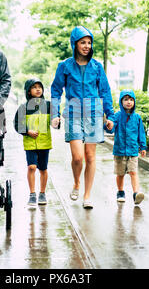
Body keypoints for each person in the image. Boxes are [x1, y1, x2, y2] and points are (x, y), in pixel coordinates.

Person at [51, 26, 114, 209]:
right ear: (75, 44)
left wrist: (109, 115)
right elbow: (55, 90)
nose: (86, 46)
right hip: (73, 114)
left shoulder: (97, 66)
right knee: (78, 157)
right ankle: (77, 182)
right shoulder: (65, 66)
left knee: (90, 156)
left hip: (94, 113)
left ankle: (87, 195)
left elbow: (105, 91)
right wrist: (55, 114)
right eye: (82, 42)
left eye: (89, 42)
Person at [14, 78, 52, 207]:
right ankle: (32, 194)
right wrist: (27, 131)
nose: (38, 89)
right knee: (32, 167)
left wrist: (57, 121)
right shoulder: (23, 107)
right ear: (29, 91)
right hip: (30, 143)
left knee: (43, 169)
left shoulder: (48, 105)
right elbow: (17, 124)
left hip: (44, 143)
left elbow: (55, 121)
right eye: (34, 87)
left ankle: (42, 193)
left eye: (39, 86)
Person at [107, 89, 146, 205]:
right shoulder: (117, 116)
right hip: (119, 150)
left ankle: (136, 194)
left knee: (133, 172)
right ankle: (120, 192)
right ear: (121, 101)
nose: (128, 102)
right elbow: (111, 128)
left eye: (131, 100)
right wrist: (108, 125)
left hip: (133, 150)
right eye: (126, 99)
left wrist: (143, 147)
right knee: (120, 173)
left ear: (134, 102)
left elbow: (141, 133)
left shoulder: (137, 117)